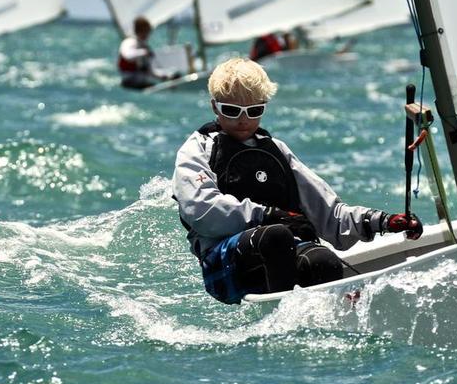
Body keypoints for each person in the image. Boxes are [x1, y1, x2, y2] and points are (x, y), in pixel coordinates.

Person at [172, 57, 423, 304]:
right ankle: (278, 326)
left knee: (322, 261)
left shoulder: (277, 150)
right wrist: (265, 215)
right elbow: (201, 211)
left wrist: (383, 221)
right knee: (275, 236)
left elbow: (329, 213)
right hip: (224, 263)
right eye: (231, 110)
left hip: (279, 252)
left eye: (254, 110)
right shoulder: (197, 149)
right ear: (215, 107)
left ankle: (315, 323)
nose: (243, 119)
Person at [118, 16, 163, 89]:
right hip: (128, 83)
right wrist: (143, 53)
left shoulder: (144, 46)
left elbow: (149, 71)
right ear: (139, 30)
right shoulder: (129, 42)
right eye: (146, 31)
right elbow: (128, 55)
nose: (148, 35)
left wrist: (165, 77)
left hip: (141, 83)